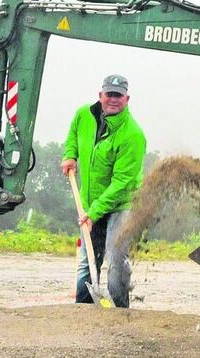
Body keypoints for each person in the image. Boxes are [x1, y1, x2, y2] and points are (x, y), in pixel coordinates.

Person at [61, 74, 146, 308]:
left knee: (117, 257)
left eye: (118, 95)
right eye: (109, 94)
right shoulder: (83, 115)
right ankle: (83, 307)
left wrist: (95, 212)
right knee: (88, 259)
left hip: (122, 203)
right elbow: (73, 137)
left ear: (127, 99)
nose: (113, 99)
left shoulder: (133, 135)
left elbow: (122, 183)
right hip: (90, 201)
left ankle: (119, 309)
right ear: (100, 95)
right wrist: (70, 155)